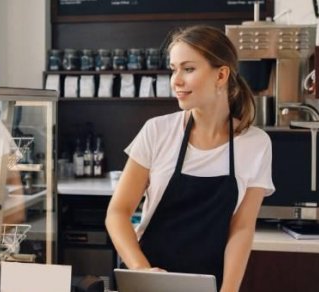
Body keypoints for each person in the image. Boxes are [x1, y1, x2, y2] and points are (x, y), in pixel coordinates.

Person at [105, 25, 275, 292]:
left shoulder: (255, 144)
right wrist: (142, 271)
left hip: (210, 283)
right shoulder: (157, 131)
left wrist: (229, 290)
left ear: (221, 75)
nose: (176, 80)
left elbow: (241, 228)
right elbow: (117, 212)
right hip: (148, 278)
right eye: (174, 69)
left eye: (188, 69)